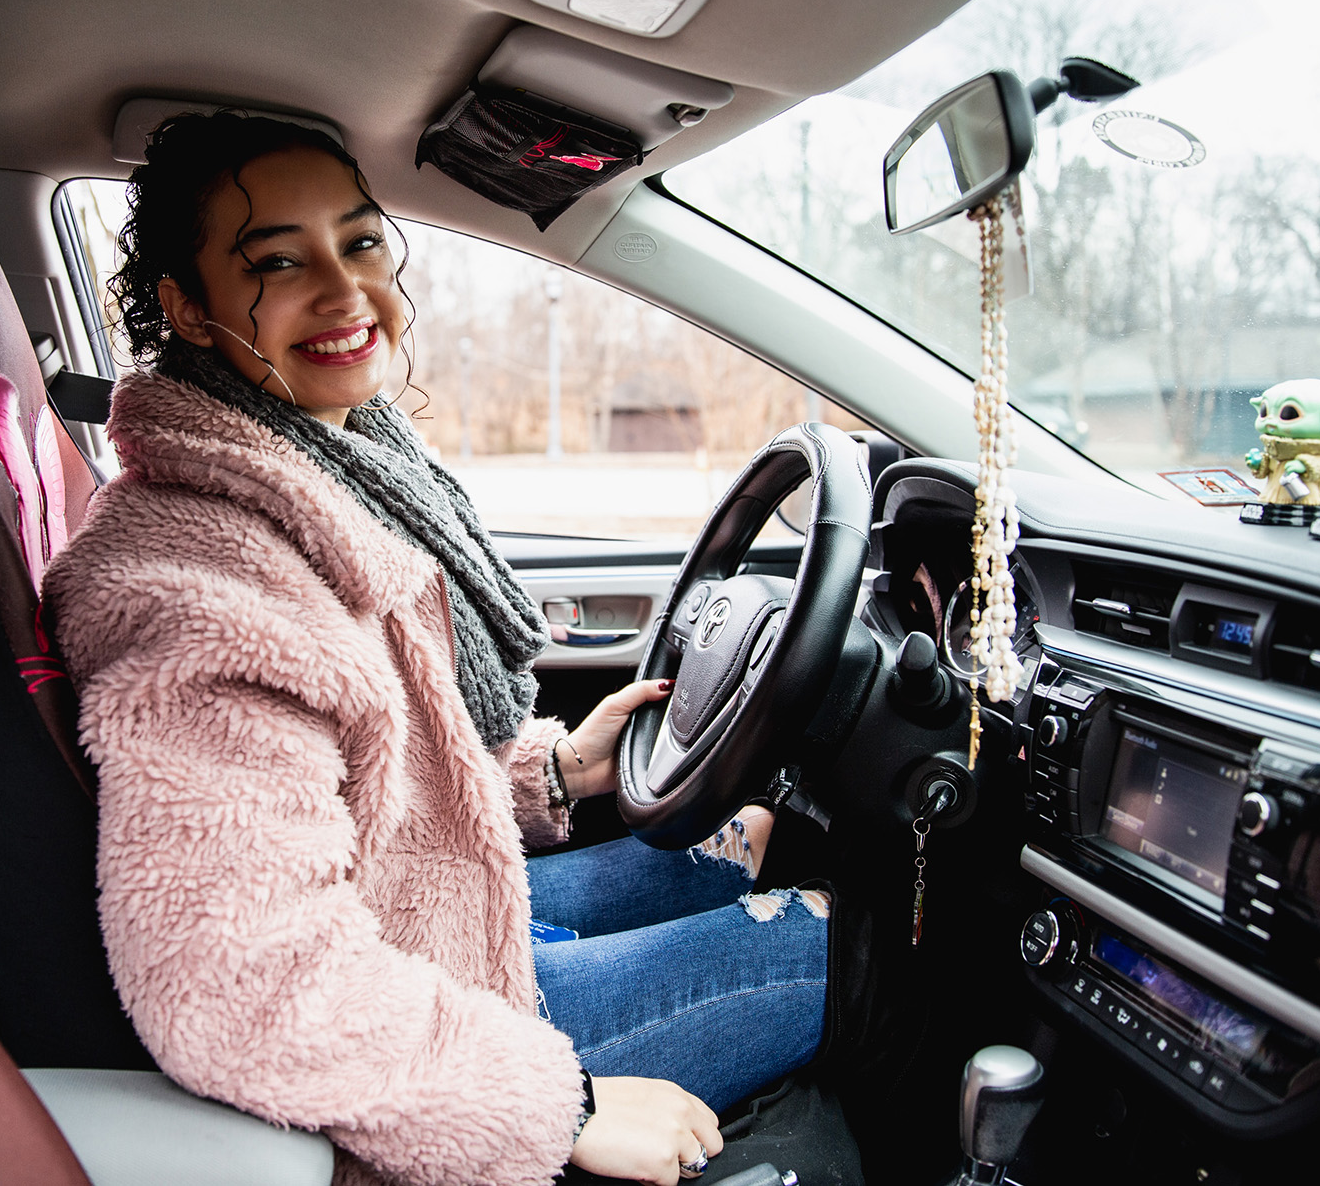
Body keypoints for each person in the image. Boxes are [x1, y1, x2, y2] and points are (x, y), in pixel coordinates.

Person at [41, 113, 831, 1186]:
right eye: (276, 261)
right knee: (845, 942)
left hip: (427, 927)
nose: (343, 291)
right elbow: (235, 975)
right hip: (415, 1048)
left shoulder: (329, 473)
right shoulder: (200, 587)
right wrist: (562, 1108)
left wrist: (554, 771)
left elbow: (368, 772)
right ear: (188, 307)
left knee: (750, 840)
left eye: (360, 242)